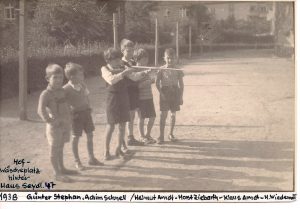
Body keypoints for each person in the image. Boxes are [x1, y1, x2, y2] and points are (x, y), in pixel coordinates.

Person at [37, 64, 77, 182]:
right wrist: (49, 121)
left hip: (65, 124)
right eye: (55, 77)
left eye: (60, 77)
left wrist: (71, 114)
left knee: (61, 147)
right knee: (54, 149)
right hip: (54, 127)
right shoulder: (46, 94)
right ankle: (56, 173)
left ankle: (62, 168)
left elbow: (67, 104)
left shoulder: (63, 91)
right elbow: (40, 110)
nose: (58, 80)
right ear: (47, 78)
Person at [63, 62, 103, 170]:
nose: (83, 76)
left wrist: (89, 106)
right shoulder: (65, 89)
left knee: (90, 135)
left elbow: (86, 96)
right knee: (76, 138)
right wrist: (69, 112)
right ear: (71, 76)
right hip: (75, 116)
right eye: (80, 75)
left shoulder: (83, 85)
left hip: (86, 113)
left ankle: (91, 158)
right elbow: (63, 103)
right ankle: (77, 161)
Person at [100, 48, 136, 160]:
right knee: (111, 125)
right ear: (108, 60)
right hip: (113, 99)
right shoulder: (104, 69)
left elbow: (134, 77)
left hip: (124, 97)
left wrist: (144, 73)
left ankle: (118, 149)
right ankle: (106, 152)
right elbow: (111, 80)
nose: (119, 61)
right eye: (116, 60)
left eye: (119, 59)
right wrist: (124, 73)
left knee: (122, 125)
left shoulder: (122, 67)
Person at [155, 48, 184, 144]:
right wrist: (161, 93)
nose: (170, 60)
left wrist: (180, 96)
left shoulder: (178, 70)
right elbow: (156, 83)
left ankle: (171, 134)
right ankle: (161, 136)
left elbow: (181, 84)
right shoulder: (161, 69)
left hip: (175, 92)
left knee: (173, 114)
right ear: (164, 58)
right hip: (165, 93)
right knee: (163, 115)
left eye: (172, 58)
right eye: (168, 58)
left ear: (175, 58)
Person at [120, 39, 144, 146]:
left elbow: (137, 76)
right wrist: (144, 73)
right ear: (122, 50)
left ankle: (131, 136)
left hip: (134, 91)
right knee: (129, 115)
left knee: (132, 114)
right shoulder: (122, 63)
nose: (130, 53)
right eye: (128, 51)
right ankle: (129, 138)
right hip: (127, 91)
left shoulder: (133, 62)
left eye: (132, 51)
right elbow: (134, 77)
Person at [133, 48, 156, 144]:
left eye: (147, 59)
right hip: (141, 98)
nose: (146, 61)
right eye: (144, 59)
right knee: (141, 118)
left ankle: (147, 135)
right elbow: (138, 86)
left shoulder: (146, 69)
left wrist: (153, 78)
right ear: (138, 59)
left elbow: (150, 80)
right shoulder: (135, 70)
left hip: (149, 97)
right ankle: (142, 136)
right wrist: (149, 81)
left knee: (152, 117)